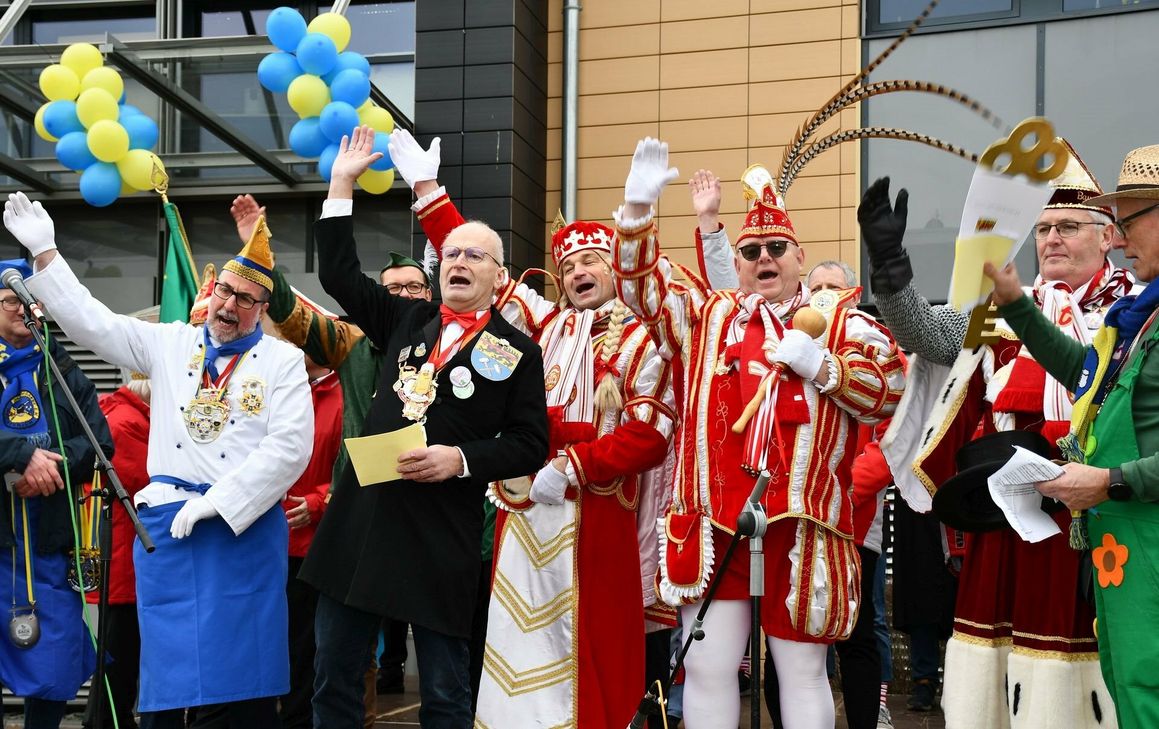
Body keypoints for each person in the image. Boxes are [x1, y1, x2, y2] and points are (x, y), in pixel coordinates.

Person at [393, 126, 679, 729]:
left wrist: (572, 466)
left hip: (597, 513)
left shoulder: (641, 336)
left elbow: (651, 435)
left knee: (593, 650)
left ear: (616, 270)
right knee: (517, 644)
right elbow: (473, 261)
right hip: (524, 511)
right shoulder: (538, 327)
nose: (578, 272)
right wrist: (427, 189)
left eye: (592, 261)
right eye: (569, 264)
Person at [613, 139, 905, 729]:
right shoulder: (707, 313)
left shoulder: (843, 320)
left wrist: (825, 368)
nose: (762, 259)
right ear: (737, 259)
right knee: (710, 665)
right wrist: (638, 214)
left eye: (776, 248)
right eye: (750, 250)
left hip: (804, 524)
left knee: (802, 671)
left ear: (799, 256)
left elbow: (890, 389)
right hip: (716, 520)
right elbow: (644, 292)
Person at [4, 191, 314, 729]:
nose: (228, 306)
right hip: (166, 525)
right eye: (224, 291)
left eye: (244, 299)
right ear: (211, 289)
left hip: (242, 528)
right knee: (168, 673)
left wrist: (218, 503)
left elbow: (289, 450)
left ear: (262, 309)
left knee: (241, 671)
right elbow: (92, 324)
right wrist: (48, 253)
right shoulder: (171, 342)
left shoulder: (283, 361)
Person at [867, 142, 1128, 728]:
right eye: (1041, 229)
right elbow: (927, 334)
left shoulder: (1134, 310)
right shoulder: (1006, 308)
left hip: (1096, 521)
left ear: (1109, 236)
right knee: (994, 686)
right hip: (1006, 528)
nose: (1051, 240)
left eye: (1067, 226)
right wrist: (890, 267)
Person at [300, 126, 548, 729]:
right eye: (452, 253)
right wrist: (340, 185)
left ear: (499, 276)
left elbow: (531, 443)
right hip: (364, 520)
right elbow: (337, 274)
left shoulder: (518, 349)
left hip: (441, 533)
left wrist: (459, 460)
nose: (459, 261)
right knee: (332, 678)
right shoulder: (406, 318)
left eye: (475, 255)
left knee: (444, 693)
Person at [229, 194, 436, 715]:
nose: (403, 296)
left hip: (435, 520)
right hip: (360, 521)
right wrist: (258, 250)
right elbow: (292, 313)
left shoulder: (455, 344)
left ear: (429, 294)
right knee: (337, 665)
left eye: (413, 287)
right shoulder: (350, 342)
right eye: (391, 290)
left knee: (444, 676)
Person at [984, 143, 1159, 729]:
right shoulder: (1140, 318)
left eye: (1129, 220)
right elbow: (1087, 376)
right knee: (1130, 685)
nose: (1122, 237)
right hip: (1120, 547)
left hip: (1146, 536)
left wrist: (1109, 480)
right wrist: (1016, 306)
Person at [0, 258, 111, 729]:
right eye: (10, 301)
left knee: (53, 665)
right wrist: (15, 458)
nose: (22, 310)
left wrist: (48, 466)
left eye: (30, 302)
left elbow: (99, 444)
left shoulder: (61, 368)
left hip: (48, 545)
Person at [83, 376, 151, 729]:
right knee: (118, 664)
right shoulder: (128, 423)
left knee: (120, 661)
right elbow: (148, 482)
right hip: (125, 564)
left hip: (126, 560)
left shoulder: (126, 417)